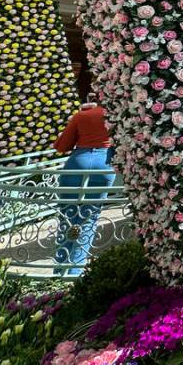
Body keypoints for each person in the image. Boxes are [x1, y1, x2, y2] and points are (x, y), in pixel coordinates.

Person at [53, 100, 115, 274]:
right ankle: (76, 271)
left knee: (68, 215)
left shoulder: (83, 114)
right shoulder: (117, 115)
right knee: (89, 217)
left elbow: (62, 146)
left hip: (78, 162)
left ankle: (60, 269)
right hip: (104, 164)